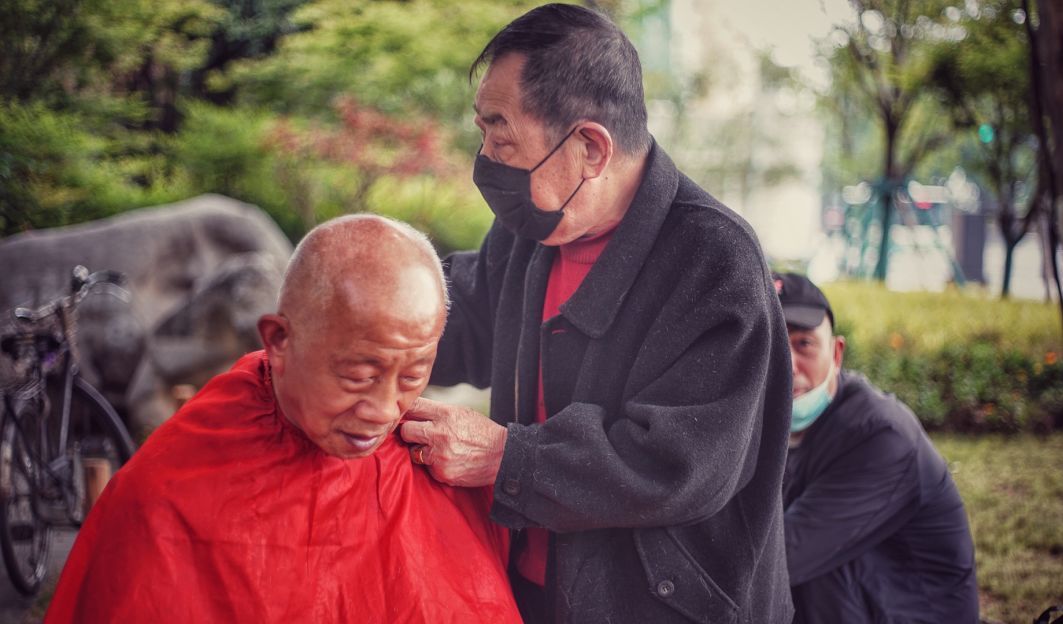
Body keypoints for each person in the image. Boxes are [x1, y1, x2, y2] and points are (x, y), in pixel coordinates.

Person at [397, 4, 795, 622]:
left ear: (589, 147)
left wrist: (510, 458)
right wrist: (364, 310)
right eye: (483, 133)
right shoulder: (530, 234)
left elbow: (680, 464)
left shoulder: (713, 261)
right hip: (533, 587)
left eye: (501, 136)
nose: (487, 159)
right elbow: (455, 315)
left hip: (662, 605)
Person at [45, 215, 521, 623]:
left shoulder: (436, 468)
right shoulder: (168, 489)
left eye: (414, 374)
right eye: (357, 375)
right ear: (278, 341)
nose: (382, 410)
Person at [774, 272, 979, 623]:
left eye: (804, 344)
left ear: (836, 353)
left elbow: (783, 557)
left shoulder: (882, 436)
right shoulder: (764, 425)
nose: (787, 365)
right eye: (772, 346)